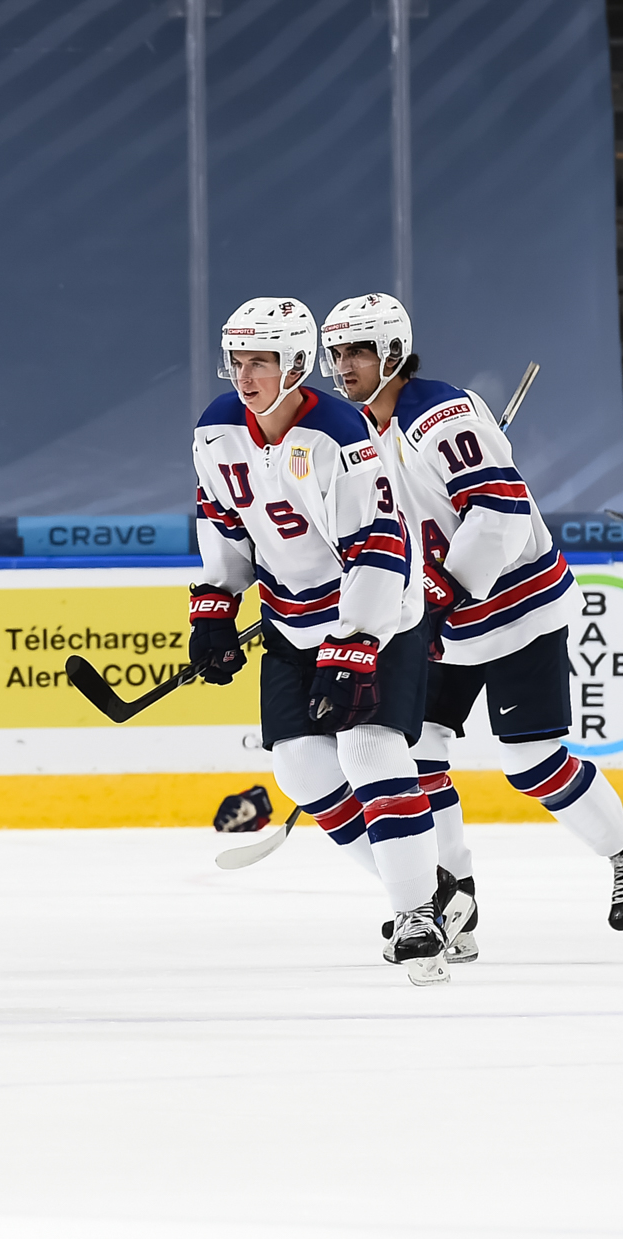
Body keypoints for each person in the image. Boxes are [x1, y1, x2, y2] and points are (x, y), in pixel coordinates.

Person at [320, 292, 623, 958]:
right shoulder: (361, 430)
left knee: (530, 760)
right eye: (337, 353)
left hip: (516, 610)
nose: (344, 366)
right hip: (446, 620)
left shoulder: (441, 418)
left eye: (358, 351)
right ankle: (456, 899)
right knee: (414, 746)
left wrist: (439, 586)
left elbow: (502, 515)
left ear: (393, 353)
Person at [190, 298, 459, 985]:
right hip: (290, 620)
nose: (244, 375)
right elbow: (224, 518)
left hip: (379, 612)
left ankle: (417, 915)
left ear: (296, 363)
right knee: (303, 770)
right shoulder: (218, 430)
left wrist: (354, 643)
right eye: (237, 360)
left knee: (370, 748)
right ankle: (433, 892)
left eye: (260, 361)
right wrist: (217, 606)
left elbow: (377, 544)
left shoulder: (335, 433)